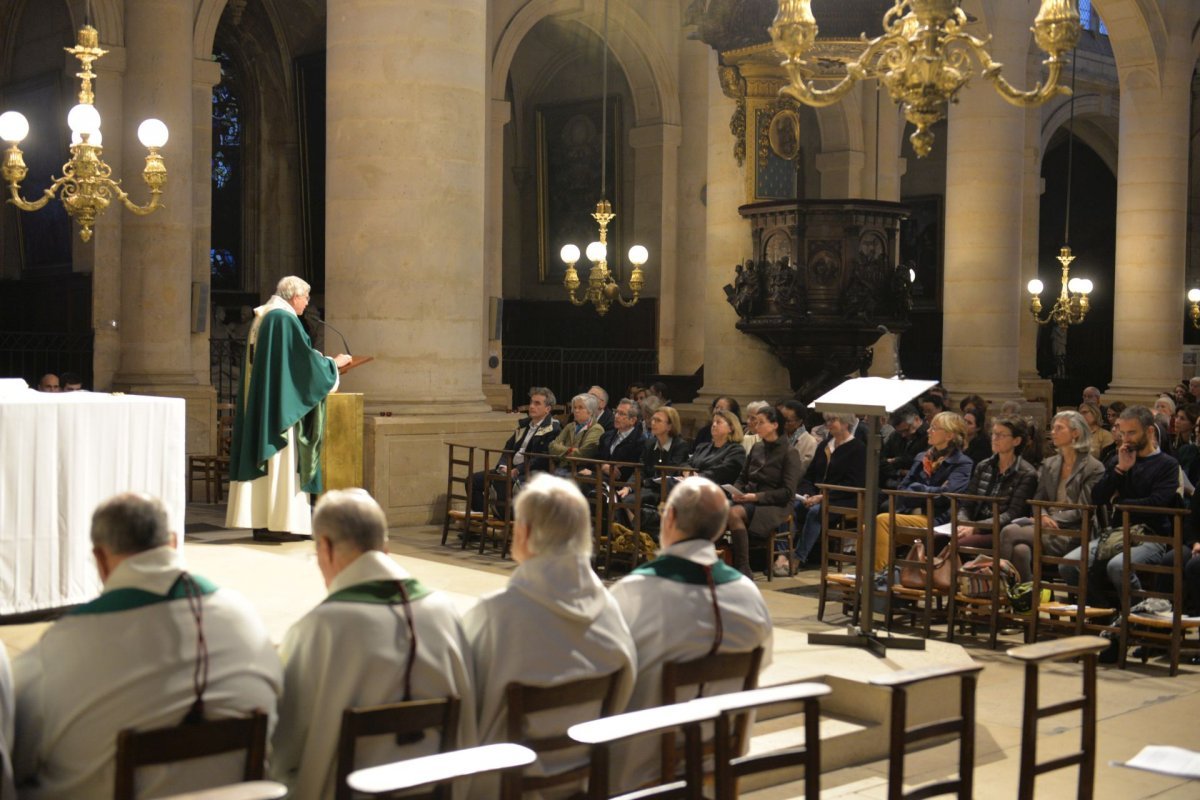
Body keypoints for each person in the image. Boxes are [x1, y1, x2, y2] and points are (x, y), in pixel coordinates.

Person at [13, 493, 281, 800]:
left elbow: (17, 755)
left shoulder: (60, 646)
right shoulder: (243, 616)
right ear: (173, 542)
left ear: (100, 559)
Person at [272, 489, 476, 800]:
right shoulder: (444, 611)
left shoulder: (321, 628)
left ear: (324, 547)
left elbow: (285, 744)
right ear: (386, 548)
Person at [462, 474, 635, 799]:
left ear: (524, 533)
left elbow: (464, 708)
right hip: (585, 778)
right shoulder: (610, 612)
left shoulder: (496, 615)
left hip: (504, 783)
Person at [608, 476, 772, 791]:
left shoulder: (635, 592)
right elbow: (761, 664)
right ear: (722, 527)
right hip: (719, 757)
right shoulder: (748, 593)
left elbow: (608, 673)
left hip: (643, 767)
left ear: (668, 518)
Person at [226, 276, 351, 540]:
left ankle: (265, 521)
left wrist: (320, 360)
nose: (307, 303)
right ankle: (281, 523)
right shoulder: (283, 320)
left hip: (267, 402)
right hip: (280, 409)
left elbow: (288, 359)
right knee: (283, 461)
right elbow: (300, 365)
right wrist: (333, 365)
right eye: (306, 298)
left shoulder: (266, 316)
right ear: (294, 296)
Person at [1060, 405, 1181, 606]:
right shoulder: (1118, 460)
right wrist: (1120, 469)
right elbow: (1097, 497)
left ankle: (1138, 614)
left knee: (1118, 566)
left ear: (1149, 431)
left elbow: (1157, 502)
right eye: (1122, 433)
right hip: (1116, 534)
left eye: (1132, 433)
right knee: (1069, 565)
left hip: (1150, 536)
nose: (1126, 439)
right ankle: (1105, 613)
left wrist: (1119, 502)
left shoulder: (1168, 464)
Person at [998, 411, 1105, 581]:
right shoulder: (1050, 463)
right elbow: (1038, 499)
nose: (1052, 432)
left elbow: (1082, 509)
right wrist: (1042, 514)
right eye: (1053, 428)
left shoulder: (1093, 468)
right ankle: (1028, 599)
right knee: (1021, 551)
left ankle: (999, 590)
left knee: (1009, 532)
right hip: (1045, 526)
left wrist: (1050, 518)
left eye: (1059, 428)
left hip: (1073, 532)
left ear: (1075, 433)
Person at [871, 411, 973, 573]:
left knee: (883, 521)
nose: (928, 431)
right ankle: (865, 579)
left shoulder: (962, 463)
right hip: (912, 513)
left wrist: (918, 489)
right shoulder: (922, 457)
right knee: (866, 529)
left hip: (938, 519)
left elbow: (946, 497)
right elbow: (903, 489)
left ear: (949, 435)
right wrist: (930, 491)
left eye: (934, 428)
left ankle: (879, 579)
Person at [727, 406, 802, 578]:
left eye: (761, 422)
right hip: (749, 498)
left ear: (775, 425)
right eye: (755, 421)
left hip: (774, 504)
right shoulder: (757, 447)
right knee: (713, 509)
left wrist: (756, 497)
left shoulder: (790, 453)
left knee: (733, 513)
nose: (756, 425)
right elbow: (742, 477)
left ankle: (744, 568)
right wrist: (735, 490)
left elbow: (787, 493)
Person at [949, 415, 1038, 551]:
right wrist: (963, 524)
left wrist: (976, 528)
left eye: (1001, 435)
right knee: (935, 538)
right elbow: (967, 503)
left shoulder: (1027, 473)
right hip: (974, 524)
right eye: (994, 434)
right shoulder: (983, 466)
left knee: (958, 544)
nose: (995, 438)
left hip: (999, 530)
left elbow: (1013, 514)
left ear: (1016, 440)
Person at [468, 386, 560, 516]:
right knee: (473, 480)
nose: (532, 406)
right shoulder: (524, 425)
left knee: (506, 485)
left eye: (537, 403)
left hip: (529, 472)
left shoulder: (553, 428)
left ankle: (506, 522)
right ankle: (483, 521)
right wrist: (503, 465)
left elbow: (541, 458)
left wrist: (517, 470)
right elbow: (508, 448)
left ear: (548, 409)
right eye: (531, 402)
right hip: (511, 468)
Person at [792, 412, 866, 571]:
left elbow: (854, 483)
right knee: (792, 506)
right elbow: (809, 476)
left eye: (834, 420)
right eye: (828, 420)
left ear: (846, 423)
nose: (829, 424)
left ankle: (798, 558)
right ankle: (784, 554)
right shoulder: (824, 445)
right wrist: (806, 493)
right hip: (817, 495)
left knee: (816, 512)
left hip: (843, 497)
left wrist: (822, 497)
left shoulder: (858, 448)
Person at [578, 398, 644, 484]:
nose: (616, 416)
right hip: (600, 480)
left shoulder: (640, 442)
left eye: (622, 414)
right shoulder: (606, 436)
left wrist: (595, 474)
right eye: (616, 412)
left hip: (621, 486)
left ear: (633, 420)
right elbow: (595, 459)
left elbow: (626, 474)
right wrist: (602, 466)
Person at [683, 408, 746, 487]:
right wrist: (687, 471)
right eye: (713, 422)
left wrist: (698, 477)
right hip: (693, 484)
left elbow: (722, 472)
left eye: (718, 422)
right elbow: (687, 463)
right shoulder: (702, 447)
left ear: (731, 428)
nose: (714, 425)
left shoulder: (736, 450)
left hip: (716, 489)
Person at [549, 392, 605, 471]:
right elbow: (551, 447)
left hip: (579, 471)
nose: (576, 410)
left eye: (580, 407)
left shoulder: (596, 429)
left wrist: (561, 449)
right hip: (561, 468)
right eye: (574, 407)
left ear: (590, 411)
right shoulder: (570, 426)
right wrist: (571, 450)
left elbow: (583, 454)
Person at [880, 405, 928, 489]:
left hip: (917, 487)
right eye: (900, 431)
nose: (903, 435)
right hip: (891, 483)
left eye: (906, 430)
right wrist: (900, 471)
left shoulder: (929, 435)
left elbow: (920, 464)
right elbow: (881, 461)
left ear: (916, 419)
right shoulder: (895, 435)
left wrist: (895, 460)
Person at [779, 399, 818, 477]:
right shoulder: (777, 436)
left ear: (799, 422)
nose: (783, 423)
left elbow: (801, 471)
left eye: (787, 421)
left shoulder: (810, 442)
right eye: (781, 419)